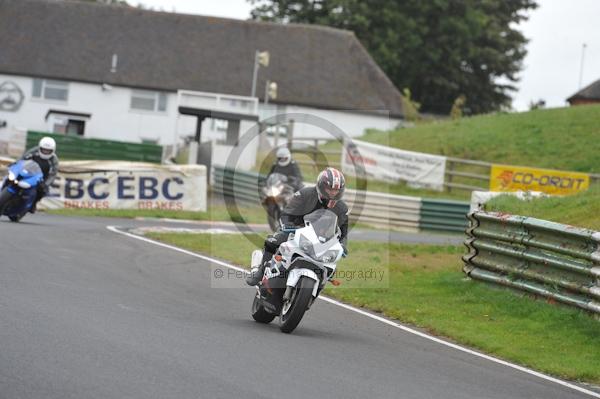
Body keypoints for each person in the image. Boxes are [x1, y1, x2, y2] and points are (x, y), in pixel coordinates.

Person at [246, 167, 349, 286]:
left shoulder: (342, 208)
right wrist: (287, 226)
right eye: (329, 189)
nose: (332, 192)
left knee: (331, 265)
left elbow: (343, 230)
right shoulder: (304, 194)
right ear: (321, 186)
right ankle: (260, 272)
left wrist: (343, 245)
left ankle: (317, 283)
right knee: (273, 242)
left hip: (321, 238)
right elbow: (287, 213)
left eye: (336, 190)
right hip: (295, 229)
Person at [20, 136, 59, 213]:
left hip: (41, 177)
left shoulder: (54, 159)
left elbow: (53, 174)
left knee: (43, 190)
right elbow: (23, 157)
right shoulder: (34, 151)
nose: (45, 152)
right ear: (40, 147)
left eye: (48, 151)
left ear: (53, 150)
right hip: (28, 172)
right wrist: (15, 164)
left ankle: (33, 204)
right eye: (44, 150)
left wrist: (46, 184)